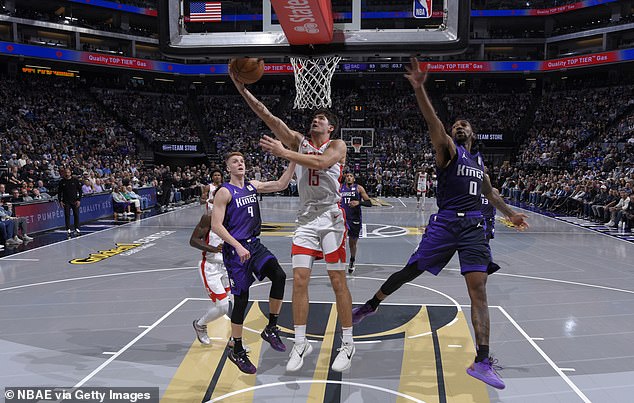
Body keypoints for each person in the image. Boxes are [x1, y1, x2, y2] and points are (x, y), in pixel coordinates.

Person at [351, 58, 529, 390]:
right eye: (456, 124)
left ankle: (483, 361)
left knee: (479, 292)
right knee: (411, 271)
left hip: (475, 228)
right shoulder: (447, 150)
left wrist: (510, 214)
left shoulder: (480, 167)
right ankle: (372, 304)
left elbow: (490, 195)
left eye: (464, 125)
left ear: (473, 134)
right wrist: (419, 88)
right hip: (446, 223)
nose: (459, 127)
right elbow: (432, 119)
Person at [232, 69, 355, 373]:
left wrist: (284, 151)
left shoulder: (337, 146)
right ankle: (300, 342)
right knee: (299, 280)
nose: (316, 120)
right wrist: (240, 87)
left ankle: (349, 343)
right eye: (314, 117)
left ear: (331, 127)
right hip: (305, 219)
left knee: (337, 280)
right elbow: (267, 116)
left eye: (322, 119)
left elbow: (321, 163)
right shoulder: (299, 141)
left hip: (331, 217)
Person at [211, 152, 295, 374]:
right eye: (235, 162)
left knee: (279, 276)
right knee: (241, 300)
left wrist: (295, 159)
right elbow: (216, 225)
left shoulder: (252, 186)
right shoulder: (224, 192)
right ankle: (237, 349)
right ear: (228, 167)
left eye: (242, 161)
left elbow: (281, 183)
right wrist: (237, 246)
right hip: (235, 250)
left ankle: (271, 328)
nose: (240, 164)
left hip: (254, 245)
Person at [340, 173, 372, 275]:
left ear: (354, 179)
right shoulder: (340, 188)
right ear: (345, 178)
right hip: (341, 218)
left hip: (354, 218)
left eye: (351, 176)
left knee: (352, 243)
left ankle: (352, 260)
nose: (349, 177)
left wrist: (359, 202)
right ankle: (338, 264)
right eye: (347, 176)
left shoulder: (359, 188)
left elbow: (369, 203)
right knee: (338, 241)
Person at [57, 168, 82, 235]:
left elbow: (80, 190)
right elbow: (59, 192)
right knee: (67, 215)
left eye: (68, 172)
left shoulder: (75, 180)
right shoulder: (62, 182)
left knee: (76, 215)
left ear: (70, 173)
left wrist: (79, 199)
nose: (67, 174)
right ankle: (68, 229)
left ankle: (77, 228)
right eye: (65, 172)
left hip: (74, 200)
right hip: (66, 201)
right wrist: (60, 201)